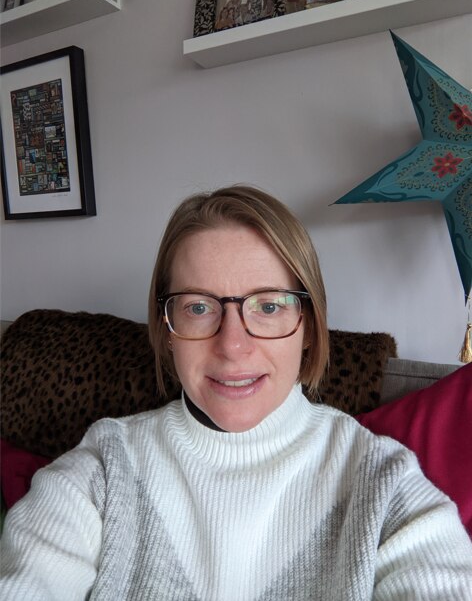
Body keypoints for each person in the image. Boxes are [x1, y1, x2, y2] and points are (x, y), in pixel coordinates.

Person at [1, 184, 471, 600]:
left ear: (309, 326)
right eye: (198, 307)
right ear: (167, 328)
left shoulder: (385, 483)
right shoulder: (101, 469)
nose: (232, 345)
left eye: (268, 306)